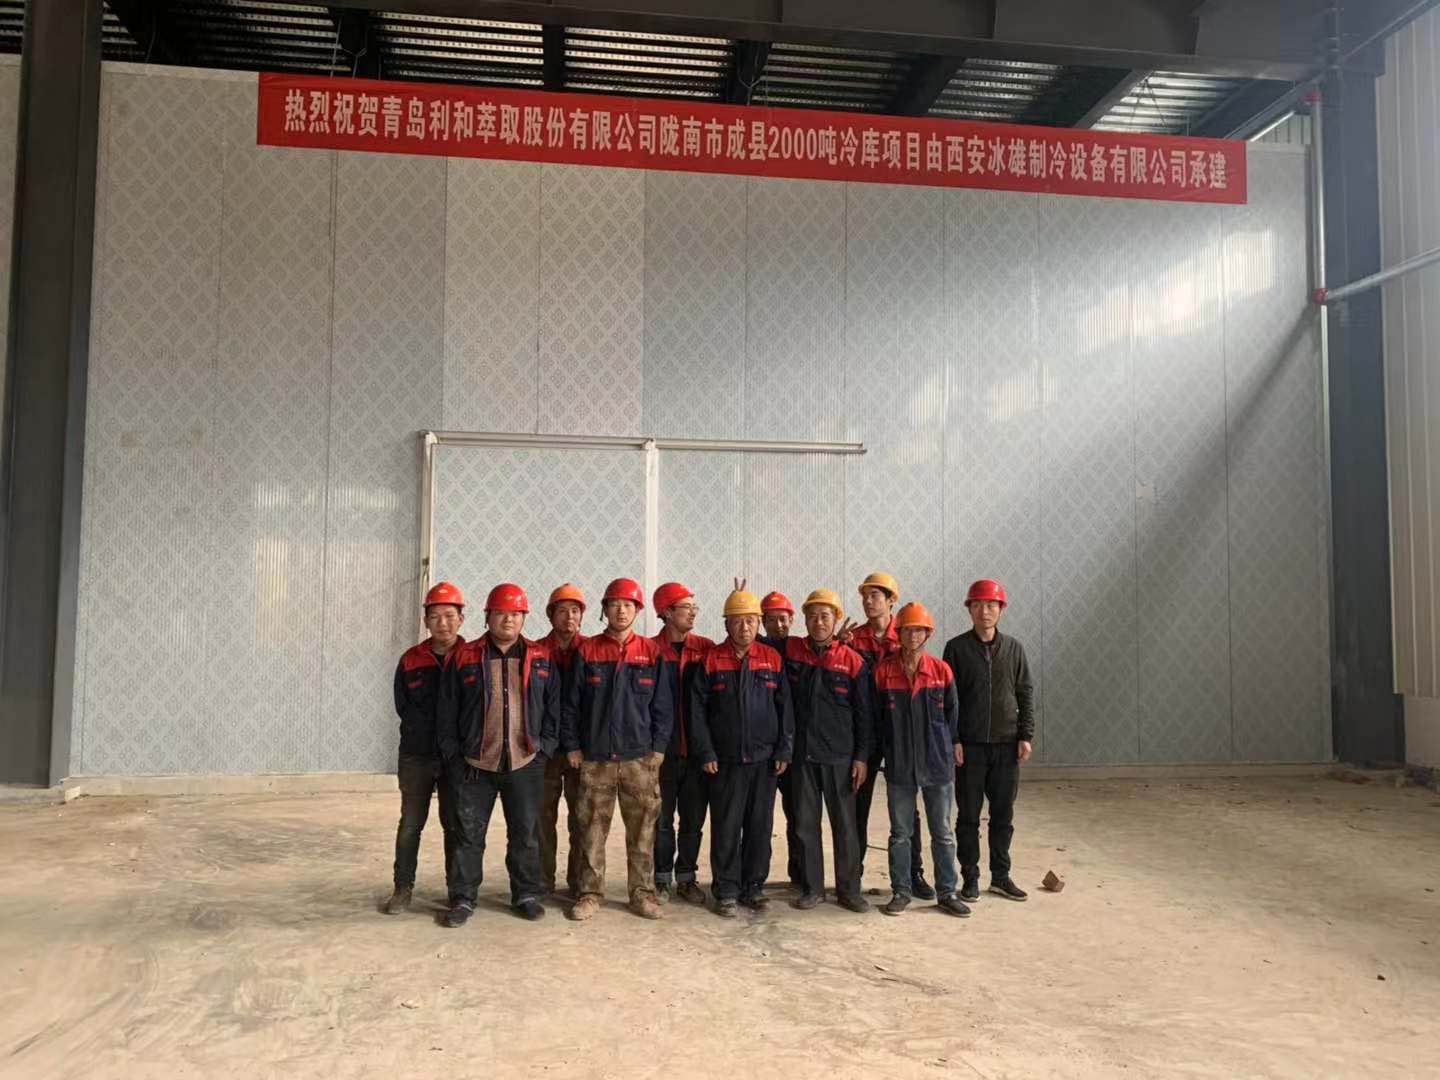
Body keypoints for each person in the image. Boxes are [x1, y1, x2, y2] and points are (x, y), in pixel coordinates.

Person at [436, 583, 559, 927]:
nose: (509, 620)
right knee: (468, 835)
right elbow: (447, 710)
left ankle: (526, 894)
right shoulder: (466, 656)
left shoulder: (540, 656)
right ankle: (462, 897)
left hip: (525, 761)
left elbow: (554, 707)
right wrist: (454, 755)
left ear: (524, 618)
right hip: (475, 764)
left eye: (516, 614)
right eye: (501, 613)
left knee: (525, 833)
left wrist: (544, 749)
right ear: (488, 616)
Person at [562, 577, 673, 921]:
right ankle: (589, 893)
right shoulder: (588, 651)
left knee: (642, 832)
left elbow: (663, 707)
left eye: (628, 605)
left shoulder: (652, 653)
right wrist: (573, 746)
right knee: (591, 830)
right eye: (615, 605)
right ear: (605, 610)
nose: (621, 611)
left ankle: (642, 894)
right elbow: (571, 705)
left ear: (637, 610)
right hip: (596, 759)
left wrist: (658, 748)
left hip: (639, 759)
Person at [688, 590, 792, 916]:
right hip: (725, 762)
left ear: (758, 623)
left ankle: (753, 887)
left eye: (750, 621)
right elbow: (696, 712)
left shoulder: (772, 659)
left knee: (760, 828)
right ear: (726, 624)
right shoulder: (711, 660)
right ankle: (727, 890)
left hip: (764, 761)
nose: (744, 627)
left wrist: (784, 748)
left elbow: (785, 708)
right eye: (737, 621)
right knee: (727, 828)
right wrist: (706, 751)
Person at [872, 602, 969, 918]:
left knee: (942, 832)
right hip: (900, 763)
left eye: (919, 630)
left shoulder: (941, 671)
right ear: (898, 633)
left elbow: (953, 714)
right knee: (901, 833)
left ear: (927, 634)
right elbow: (876, 719)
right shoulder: (884, 672)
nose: (912, 635)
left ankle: (947, 892)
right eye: (907, 630)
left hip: (937, 763)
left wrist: (954, 744)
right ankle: (901, 891)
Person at [942, 579, 1035, 904]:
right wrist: (954, 739)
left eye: (991, 605)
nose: (985, 611)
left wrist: (1025, 735)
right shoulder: (956, 649)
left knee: (1003, 815)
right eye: (978, 605)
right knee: (968, 815)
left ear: (1001, 610)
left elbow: (1024, 692)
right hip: (970, 747)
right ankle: (970, 877)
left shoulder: (1014, 649)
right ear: (969, 609)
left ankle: (1001, 876)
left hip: (1006, 746)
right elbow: (948, 699)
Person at [783, 588, 872, 913]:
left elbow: (865, 715)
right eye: (812, 616)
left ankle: (849, 891)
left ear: (836, 620)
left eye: (825, 616)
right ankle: (813, 888)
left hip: (840, 757)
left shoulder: (853, 661)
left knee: (845, 826)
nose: (818, 622)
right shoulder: (792, 651)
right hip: (803, 757)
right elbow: (755, 639)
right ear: (804, 620)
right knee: (805, 825)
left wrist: (861, 757)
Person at [384, 581, 466, 915]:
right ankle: (402, 888)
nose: (442, 623)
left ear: (461, 619)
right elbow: (402, 705)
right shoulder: (411, 660)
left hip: (457, 758)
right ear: (426, 621)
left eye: (449, 615)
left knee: (455, 825)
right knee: (410, 824)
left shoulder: (472, 657)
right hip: (416, 755)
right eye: (435, 616)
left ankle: (457, 892)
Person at [848, 572, 931, 901]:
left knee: (907, 808)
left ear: (891, 600)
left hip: (899, 732)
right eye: (865, 596)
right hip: (864, 733)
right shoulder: (853, 639)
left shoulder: (907, 634)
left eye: (875, 596)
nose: (868, 602)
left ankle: (914, 873)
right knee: (857, 806)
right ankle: (852, 874)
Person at [650, 582, 715, 905]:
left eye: (694, 607)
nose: (692, 613)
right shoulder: (649, 650)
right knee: (661, 822)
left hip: (698, 754)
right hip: (661, 755)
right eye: (686, 607)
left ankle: (687, 878)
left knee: (693, 821)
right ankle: (661, 878)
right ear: (666, 612)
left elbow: (744, 648)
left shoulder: (706, 649)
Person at [537, 583, 587, 897]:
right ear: (550, 615)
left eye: (575, 611)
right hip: (546, 750)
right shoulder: (536, 652)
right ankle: (542, 881)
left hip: (582, 750)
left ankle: (579, 882)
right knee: (542, 817)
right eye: (562, 610)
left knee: (581, 818)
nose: (569, 616)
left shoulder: (591, 650)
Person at [760, 589, 802, 890]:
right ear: (762, 622)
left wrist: (840, 641)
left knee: (798, 816)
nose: (778, 625)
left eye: (783, 619)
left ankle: (799, 875)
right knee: (760, 818)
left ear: (792, 619)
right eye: (772, 620)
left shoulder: (800, 647)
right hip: (763, 747)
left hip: (797, 748)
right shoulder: (757, 649)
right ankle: (755, 878)